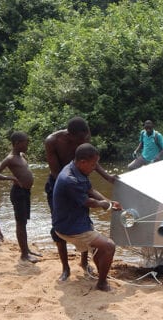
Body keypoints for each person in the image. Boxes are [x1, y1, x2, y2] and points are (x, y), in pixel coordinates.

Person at [45, 116, 117, 281]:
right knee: (59, 225)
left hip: (78, 179)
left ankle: (84, 262)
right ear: (70, 136)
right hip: (61, 185)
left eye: (85, 139)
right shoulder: (53, 141)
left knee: (83, 221)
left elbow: (90, 160)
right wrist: (71, 191)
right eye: (80, 140)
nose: (83, 141)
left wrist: (107, 178)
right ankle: (65, 268)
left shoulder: (83, 142)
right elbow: (57, 172)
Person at [52, 143, 121, 292]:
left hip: (77, 220)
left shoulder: (77, 169)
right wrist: (106, 205)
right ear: (83, 162)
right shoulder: (69, 179)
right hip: (69, 227)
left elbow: (90, 189)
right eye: (93, 164)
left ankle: (100, 274)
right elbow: (88, 202)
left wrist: (108, 202)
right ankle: (102, 283)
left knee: (99, 247)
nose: (95, 167)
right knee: (109, 246)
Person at [0, 132, 42, 263]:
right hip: (18, 193)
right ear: (17, 143)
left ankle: (26, 250)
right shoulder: (10, 158)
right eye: (26, 142)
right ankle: (24, 254)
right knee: (20, 223)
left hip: (25, 192)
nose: (27, 145)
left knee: (23, 222)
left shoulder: (22, 156)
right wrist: (11, 177)